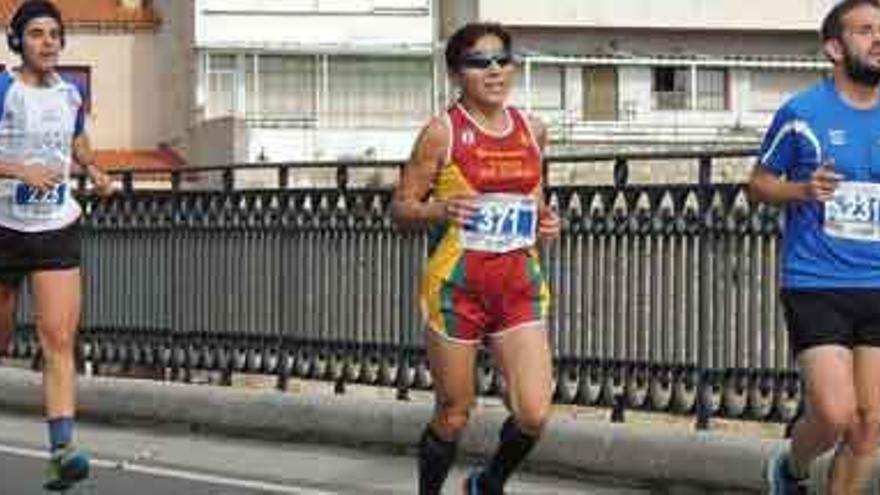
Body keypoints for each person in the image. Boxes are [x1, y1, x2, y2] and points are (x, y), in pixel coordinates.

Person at [391, 22, 561, 495]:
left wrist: (548, 223)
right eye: (479, 62)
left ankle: (488, 483)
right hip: (456, 289)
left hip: (517, 286)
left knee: (534, 412)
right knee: (454, 411)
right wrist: (439, 209)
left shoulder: (533, 130)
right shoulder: (441, 134)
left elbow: (535, 203)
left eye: (502, 60)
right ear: (456, 74)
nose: (494, 71)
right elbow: (401, 209)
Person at [749, 1, 880, 493]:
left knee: (869, 427)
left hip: (878, 283)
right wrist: (802, 191)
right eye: (865, 31)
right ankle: (793, 467)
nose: (878, 40)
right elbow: (758, 184)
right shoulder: (803, 112)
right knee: (834, 413)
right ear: (834, 48)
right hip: (816, 280)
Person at [0, 0, 113, 490]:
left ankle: (62, 449)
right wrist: (19, 169)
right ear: (18, 41)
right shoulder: (3, 87)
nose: (47, 42)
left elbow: (76, 139)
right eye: (36, 34)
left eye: (54, 34)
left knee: (59, 340)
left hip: (56, 226)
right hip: (4, 226)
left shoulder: (70, 94)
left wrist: (93, 168)